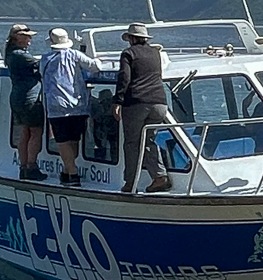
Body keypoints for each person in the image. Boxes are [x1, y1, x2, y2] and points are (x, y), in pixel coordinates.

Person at [39, 28, 103, 187]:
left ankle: (70, 172)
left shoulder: (45, 59)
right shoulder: (75, 55)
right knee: (74, 140)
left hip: (56, 106)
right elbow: (95, 67)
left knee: (62, 141)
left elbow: (41, 75)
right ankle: (70, 171)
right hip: (77, 104)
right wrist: (99, 59)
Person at [115, 22, 173, 194]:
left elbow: (124, 77)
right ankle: (159, 176)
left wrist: (117, 101)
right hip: (160, 103)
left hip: (137, 102)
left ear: (131, 39)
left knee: (132, 143)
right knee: (148, 140)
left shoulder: (128, 53)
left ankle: (130, 182)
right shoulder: (156, 53)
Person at [4, 24, 45, 180]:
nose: (30, 39)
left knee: (25, 132)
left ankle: (23, 167)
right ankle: (32, 167)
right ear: (17, 37)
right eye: (26, 36)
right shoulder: (21, 55)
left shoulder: (10, 54)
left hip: (16, 98)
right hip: (29, 99)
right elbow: (41, 65)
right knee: (36, 132)